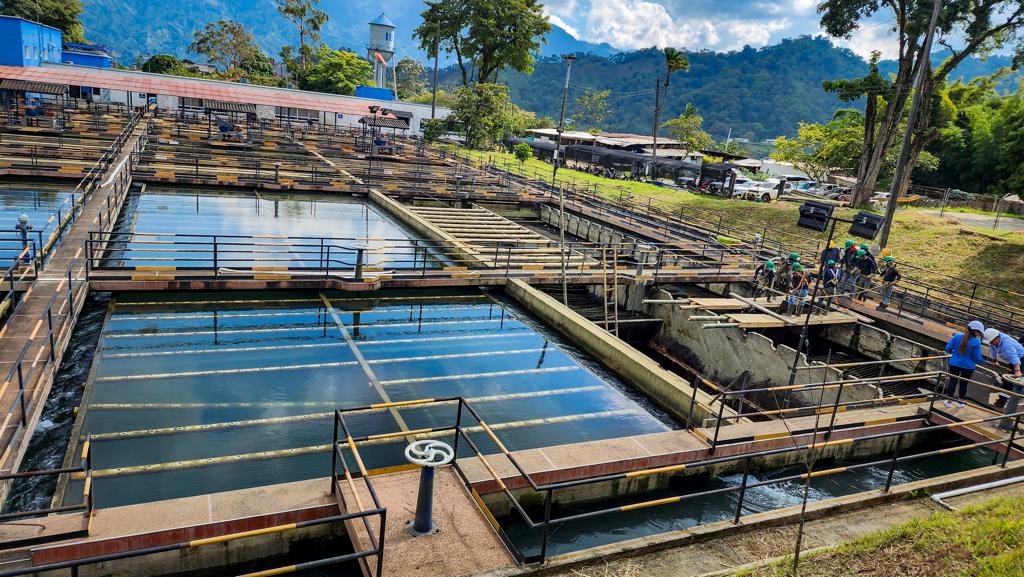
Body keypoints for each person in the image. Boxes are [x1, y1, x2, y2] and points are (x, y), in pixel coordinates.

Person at [943, 321, 987, 408]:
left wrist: (955, 353)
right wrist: (986, 362)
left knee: (953, 381)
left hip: (954, 363)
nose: (979, 334)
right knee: (964, 384)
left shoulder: (957, 336)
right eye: (979, 332)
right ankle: (960, 402)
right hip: (968, 366)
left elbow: (948, 348)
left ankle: (949, 401)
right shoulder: (976, 342)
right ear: (975, 331)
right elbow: (977, 358)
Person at [982, 329, 1024, 417]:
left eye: (992, 341)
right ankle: (1001, 402)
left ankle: (1014, 405)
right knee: (1007, 382)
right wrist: (994, 360)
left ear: (997, 338)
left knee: (1017, 383)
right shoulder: (994, 341)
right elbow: (993, 349)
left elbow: (1014, 357)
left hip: (1021, 360)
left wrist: (1017, 371)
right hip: (1011, 362)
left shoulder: (1006, 344)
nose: (992, 343)